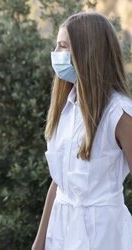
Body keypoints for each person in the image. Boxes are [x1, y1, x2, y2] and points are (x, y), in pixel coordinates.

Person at [32, 12, 132, 250]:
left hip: (104, 233)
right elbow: (59, 183)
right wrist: (39, 242)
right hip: (61, 229)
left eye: (63, 46)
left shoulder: (119, 113)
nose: (56, 53)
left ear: (87, 52)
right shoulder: (66, 107)